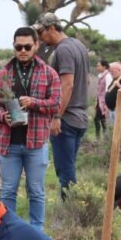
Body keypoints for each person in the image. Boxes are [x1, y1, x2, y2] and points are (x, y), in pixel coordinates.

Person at [0, 27, 60, 231]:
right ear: (14, 46)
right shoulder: (2, 75)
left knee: (36, 191)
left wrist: (34, 103)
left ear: (36, 46)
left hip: (36, 143)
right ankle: (8, 231)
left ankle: (36, 232)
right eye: (18, 46)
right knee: (8, 191)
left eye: (27, 46)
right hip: (8, 143)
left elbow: (55, 104)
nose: (23, 50)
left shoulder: (49, 74)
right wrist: (4, 116)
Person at [34, 13, 90, 200]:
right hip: (80, 116)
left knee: (65, 171)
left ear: (51, 28)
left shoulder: (63, 50)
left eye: (41, 32)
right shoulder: (79, 46)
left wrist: (57, 116)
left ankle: (70, 213)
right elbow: (87, 80)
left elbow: (68, 84)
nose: (40, 37)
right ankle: (74, 209)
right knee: (69, 166)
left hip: (66, 119)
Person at [93, 59, 113, 139]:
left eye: (99, 66)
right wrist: (96, 102)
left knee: (101, 120)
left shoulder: (108, 76)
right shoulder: (101, 76)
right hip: (99, 102)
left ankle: (104, 137)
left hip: (104, 102)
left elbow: (108, 91)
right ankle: (101, 137)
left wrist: (106, 104)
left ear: (104, 66)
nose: (97, 67)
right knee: (99, 119)